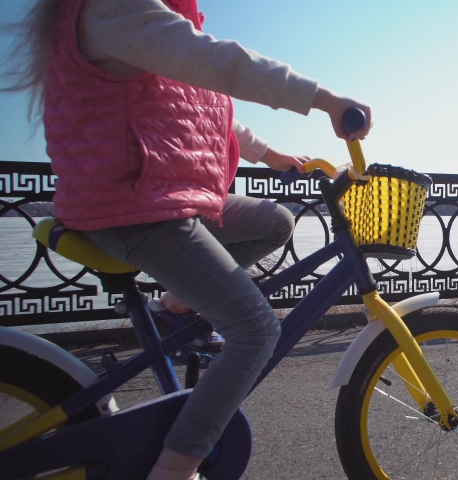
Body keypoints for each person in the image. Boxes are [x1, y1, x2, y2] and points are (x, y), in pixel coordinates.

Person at [1, 0, 371, 478]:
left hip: (157, 197)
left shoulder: (151, 23)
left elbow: (204, 100)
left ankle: (175, 307)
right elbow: (218, 62)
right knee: (255, 330)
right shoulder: (115, 8)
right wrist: (326, 100)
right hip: (131, 210)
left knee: (274, 221)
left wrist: (269, 153)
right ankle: (175, 470)